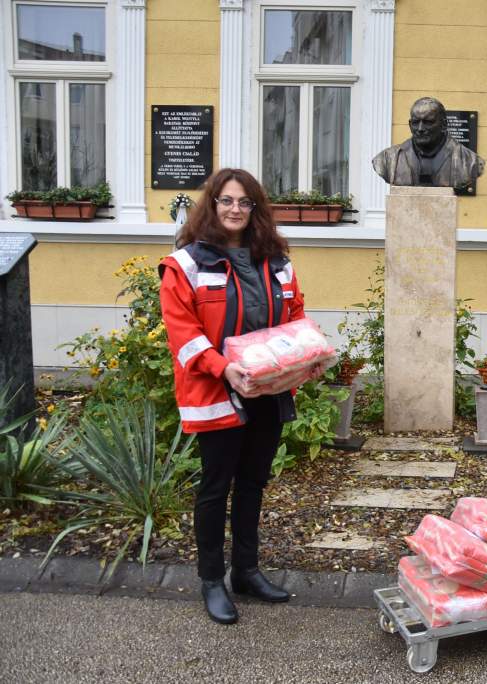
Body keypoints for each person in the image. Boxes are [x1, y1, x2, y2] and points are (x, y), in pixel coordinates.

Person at [159, 168, 319, 625]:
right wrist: (224, 369)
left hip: (266, 389)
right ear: (211, 205)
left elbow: (295, 314)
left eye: (244, 202)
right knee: (215, 487)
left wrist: (306, 354)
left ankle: (246, 571)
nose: (234, 209)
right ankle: (212, 580)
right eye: (226, 201)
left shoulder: (277, 261)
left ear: (255, 209)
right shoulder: (186, 264)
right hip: (216, 390)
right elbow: (183, 335)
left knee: (253, 483)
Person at [372, 96, 485, 191]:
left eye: (428, 122)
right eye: (416, 122)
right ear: (410, 125)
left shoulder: (469, 161)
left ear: (444, 125)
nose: (420, 128)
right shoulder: (387, 159)